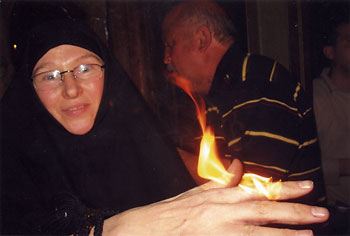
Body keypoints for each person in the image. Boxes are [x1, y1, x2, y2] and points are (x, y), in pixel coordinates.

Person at [0, 19, 329, 236]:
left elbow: (254, 190)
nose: (71, 89)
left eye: (85, 68)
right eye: (50, 75)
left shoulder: (254, 83)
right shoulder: (13, 166)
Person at [161, 0, 326, 207]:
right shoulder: (216, 97)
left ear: (202, 39)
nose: (166, 58)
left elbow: (252, 190)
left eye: (170, 44)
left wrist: (162, 155)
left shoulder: (258, 82)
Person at [313, 18, 350, 234]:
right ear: (330, 52)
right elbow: (305, 167)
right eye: (349, 41)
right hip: (337, 218)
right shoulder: (314, 97)